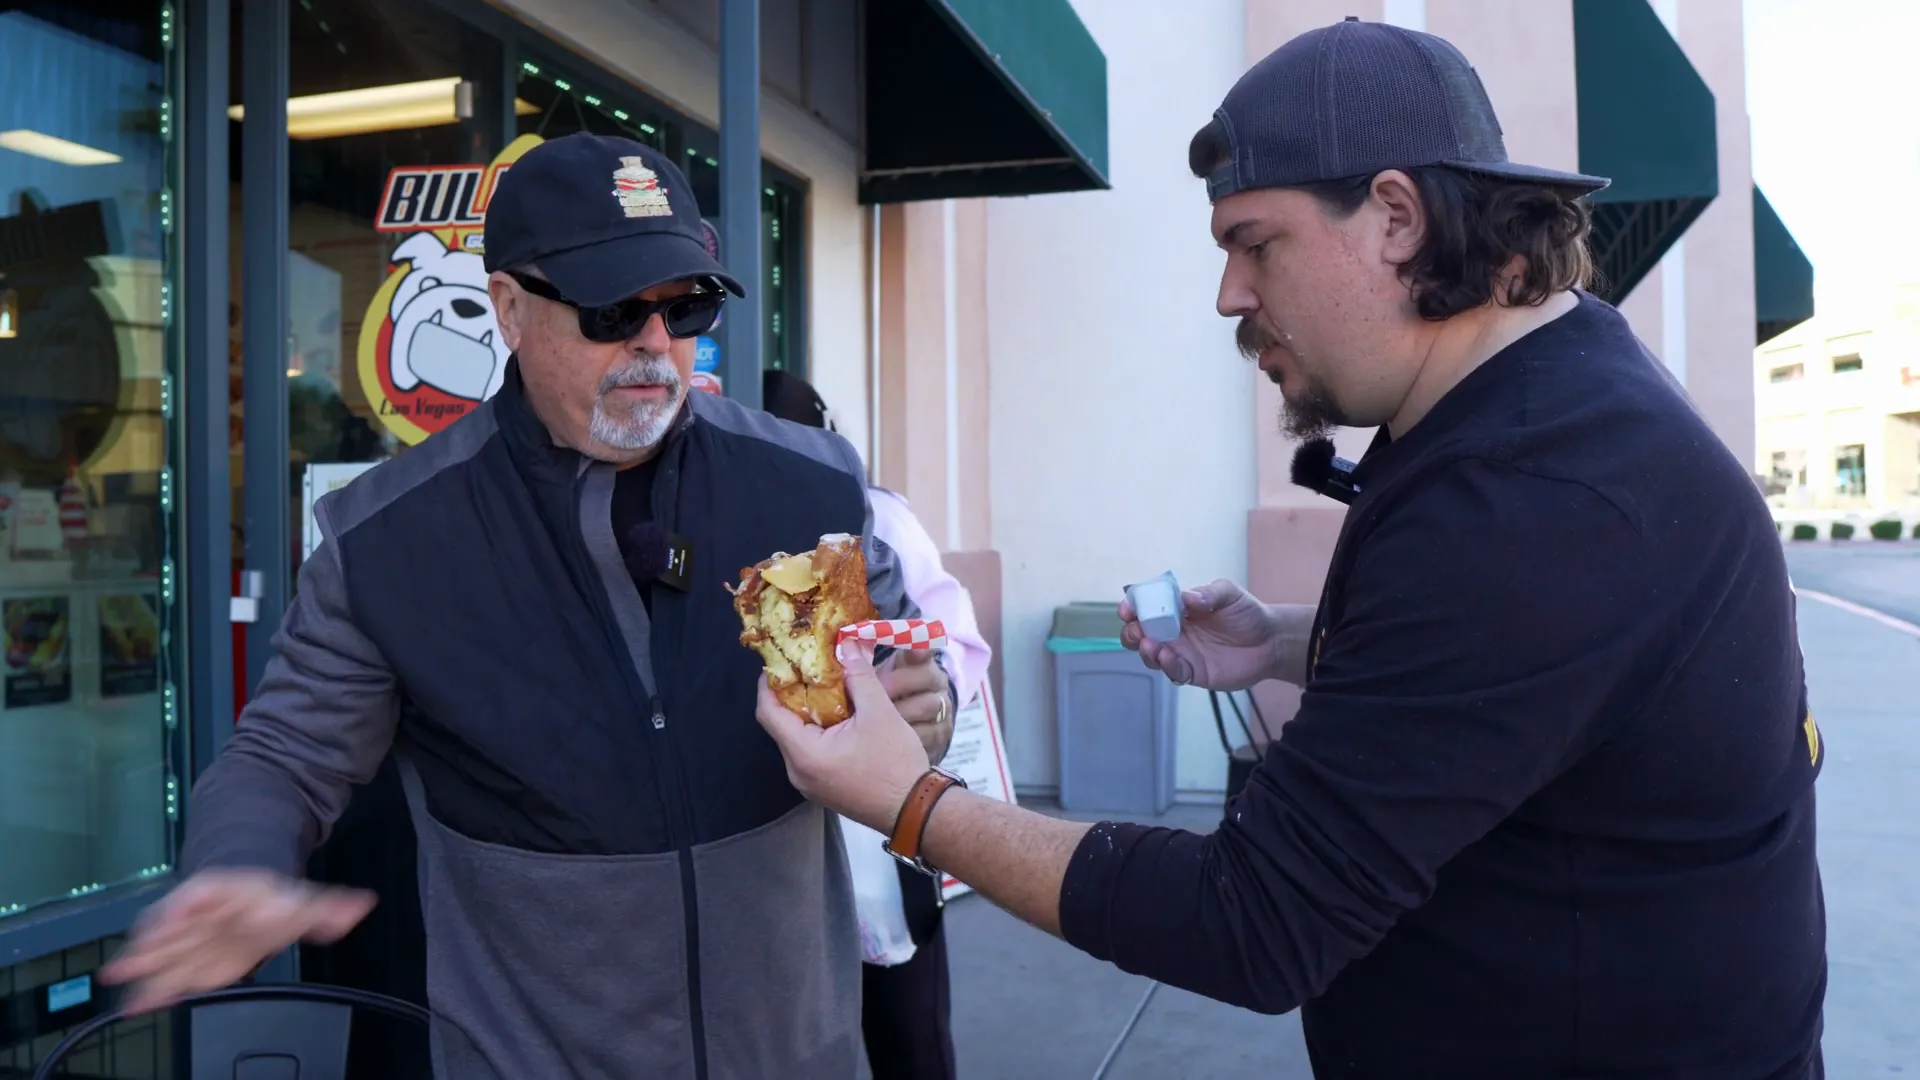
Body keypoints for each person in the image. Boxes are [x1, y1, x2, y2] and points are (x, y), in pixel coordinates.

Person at [750, 18, 1825, 1080]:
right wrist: (1284, 642)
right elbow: (1508, 683)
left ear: (1396, 216)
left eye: (1254, 243)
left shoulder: (1538, 495)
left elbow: (1254, 919)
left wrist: (914, 804)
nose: (1230, 295)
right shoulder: (1537, 410)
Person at [101, 132, 956, 1080]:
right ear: (507, 308)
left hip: (797, 1050)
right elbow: (286, 754)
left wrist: (929, 705)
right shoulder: (386, 537)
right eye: (612, 309)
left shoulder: (810, 480)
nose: (653, 341)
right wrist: (236, 863)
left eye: (686, 306)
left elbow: (900, 669)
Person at [762, 368, 990, 1080]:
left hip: (882, 840)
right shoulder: (716, 522)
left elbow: (951, 645)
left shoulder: (878, 518)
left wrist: (932, 700)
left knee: (909, 1035)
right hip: (766, 857)